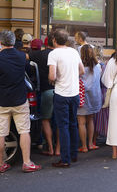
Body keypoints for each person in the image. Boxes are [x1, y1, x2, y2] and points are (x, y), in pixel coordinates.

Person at [0, 30, 41, 173]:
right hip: (20, 99)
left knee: (1, 133)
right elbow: (27, 73)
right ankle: (27, 162)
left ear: (1, 42)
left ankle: (1, 164)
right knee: (24, 131)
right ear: (13, 42)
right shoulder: (22, 57)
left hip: (2, 101)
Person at [48, 29, 85, 168]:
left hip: (61, 94)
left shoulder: (53, 54)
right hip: (74, 93)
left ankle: (65, 159)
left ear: (54, 40)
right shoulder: (74, 52)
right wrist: (72, 77)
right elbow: (82, 70)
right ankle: (73, 154)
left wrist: (55, 79)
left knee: (62, 126)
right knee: (73, 124)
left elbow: (52, 76)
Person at [28, 33, 58, 156]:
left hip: (46, 91)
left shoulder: (38, 55)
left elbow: (23, 57)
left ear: (45, 44)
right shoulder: (61, 55)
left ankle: (50, 148)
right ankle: (58, 150)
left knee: (45, 120)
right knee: (60, 121)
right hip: (62, 91)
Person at [77, 45, 102, 153]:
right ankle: (91, 143)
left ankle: (84, 146)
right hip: (95, 96)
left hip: (83, 97)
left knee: (81, 122)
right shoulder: (97, 66)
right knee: (91, 120)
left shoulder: (80, 66)